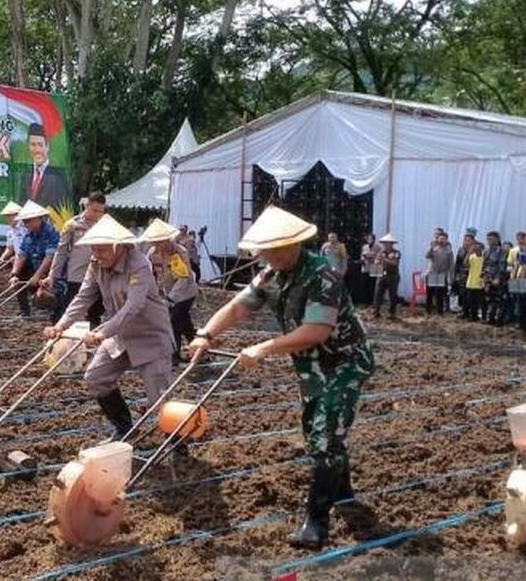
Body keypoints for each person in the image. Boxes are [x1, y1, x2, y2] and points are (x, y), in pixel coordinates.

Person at [189, 206, 376, 548]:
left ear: (292, 245)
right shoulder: (270, 275)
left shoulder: (323, 274)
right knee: (318, 429)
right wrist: (206, 334)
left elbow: (317, 330)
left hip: (345, 361)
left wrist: (264, 348)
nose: (266, 256)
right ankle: (343, 490)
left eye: (272, 250)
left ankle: (316, 523)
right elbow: (237, 307)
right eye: (263, 251)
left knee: (325, 432)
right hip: (312, 367)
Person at [43, 215, 176, 446]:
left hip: (149, 335)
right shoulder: (96, 265)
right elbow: (83, 297)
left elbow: (133, 306)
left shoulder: (139, 265)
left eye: (102, 249)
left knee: (160, 397)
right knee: (97, 377)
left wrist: (102, 333)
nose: (96, 254)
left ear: (117, 246)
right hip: (119, 334)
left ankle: (178, 445)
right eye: (93, 249)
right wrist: (61, 325)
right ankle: (124, 428)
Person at [140, 218, 198, 362]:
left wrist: (170, 299)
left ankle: (174, 355)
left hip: (185, 293)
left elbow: (184, 278)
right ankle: (198, 350)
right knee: (185, 323)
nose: (157, 245)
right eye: (154, 242)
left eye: (160, 241)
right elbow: (148, 273)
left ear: (168, 239)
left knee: (174, 321)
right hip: (168, 292)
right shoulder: (152, 253)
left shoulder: (179, 252)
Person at [44, 191, 107, 324]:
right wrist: (52, 275)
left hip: (100, 274)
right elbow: (61, 252)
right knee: (72, 308)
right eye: (95, 210)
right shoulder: (72, 224)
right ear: (87, 205)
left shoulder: (105, 224)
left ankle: (93, 338)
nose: (97, 214)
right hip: (77, 275)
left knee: (96, 311)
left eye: (100, 211)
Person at [10, 201, 60, 319]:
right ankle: (25, 312)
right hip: (35, 267)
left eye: (28, 221)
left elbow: (50, 257)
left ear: (38, 219)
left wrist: (37, 276)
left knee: (53, 294)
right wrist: (14, 274)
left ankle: (56, 313)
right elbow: (21, 255)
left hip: (51, 270)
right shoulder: (28, 235)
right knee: (19, 278)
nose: (25, 224)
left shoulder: (50, 233)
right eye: (24, 221)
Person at [13, 122, 72, 208]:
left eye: (40, 145)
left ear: (47, 147)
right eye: (33, 145)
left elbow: (62, 207)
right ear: (28, 146)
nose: (37, 150)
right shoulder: (25, 174)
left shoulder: (58, 177)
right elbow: (21, 204)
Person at [424, 230, 454, 315]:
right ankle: (428, 311)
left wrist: (450, 277)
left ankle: (440, 312)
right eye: (440, 238)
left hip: (441, 274)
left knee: (439, 295)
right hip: (432, 273)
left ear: (446, 240)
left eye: (444, 239)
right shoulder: (434, 248)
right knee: (429, 294)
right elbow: (427, 256)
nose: (442, 240)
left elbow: (451, 265)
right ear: (438, 239)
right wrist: (431, 248)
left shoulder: (449, 251)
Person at [482, 231, 508, 326]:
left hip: (498, 278)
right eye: (488, 239)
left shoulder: (502, 251)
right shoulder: (486, 251)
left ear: (497, 240)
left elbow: (502, 266)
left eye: (491, 239)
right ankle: (490, 318)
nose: (489, 241)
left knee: (499, 300)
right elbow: (484, 266)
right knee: (489, 299)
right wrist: (484, 278)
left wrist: (498, 278)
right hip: (488, 277)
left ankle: (499, 319)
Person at [373, 234, 401, 319]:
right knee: (378, 293)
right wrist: (377, 261)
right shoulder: (381, 252)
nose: (386, 245)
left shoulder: (396, 253)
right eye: (385, 243)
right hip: (382, 274)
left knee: (392, 294)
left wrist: (385, 259)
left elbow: (395, 263)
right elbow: (376, 261)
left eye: (388, 243)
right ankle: (376, 311)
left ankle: (392, 313)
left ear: (392, 244)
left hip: (393, 275)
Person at [462, 241, 485, 322]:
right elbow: (465, 264)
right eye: (475, 248)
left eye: (478, 248)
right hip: (470, 283)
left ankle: (479, 317)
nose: (476, 250)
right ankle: (471, 317)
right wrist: (469, 253)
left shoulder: (484, 258)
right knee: (470, 302)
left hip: (480, 283)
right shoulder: (472, 257)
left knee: (479, 302)